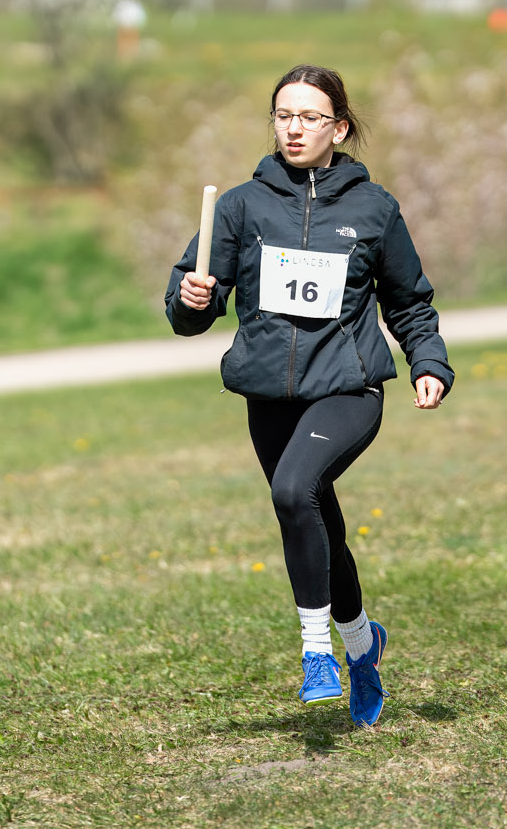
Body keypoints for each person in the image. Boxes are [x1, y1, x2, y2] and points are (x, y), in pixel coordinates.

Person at [166, 64, 452, 728]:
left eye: (310, 117)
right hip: (269, 394)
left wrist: (429, 361)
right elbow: (190, 307)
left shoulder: (373, 209)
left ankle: (317, 652)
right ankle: (363, 646)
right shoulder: (240, 207)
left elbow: (408, 301)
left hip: (349, 387)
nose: (294, 128)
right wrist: (191, 298)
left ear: (339, 128)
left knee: (295, 491)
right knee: (315, 515)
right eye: (284, 115)